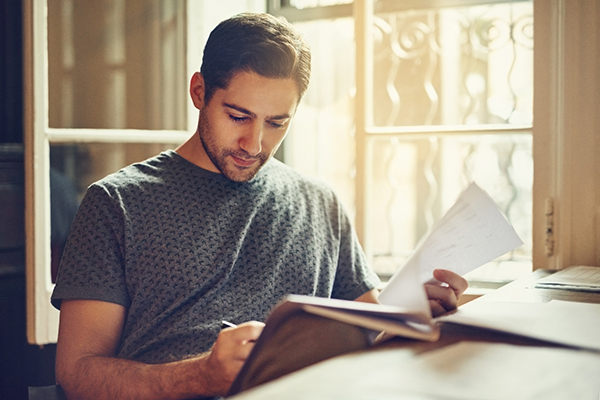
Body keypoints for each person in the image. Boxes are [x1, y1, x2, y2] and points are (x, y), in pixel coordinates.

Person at [51, 12, 468, 400]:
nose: (255, 144)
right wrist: (201, 374)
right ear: (199, 92)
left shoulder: (320, 202)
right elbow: (77, 372)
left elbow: (371, 329)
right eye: (238, 116)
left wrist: (416, 309)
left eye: (276, 123)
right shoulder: (117, 203)